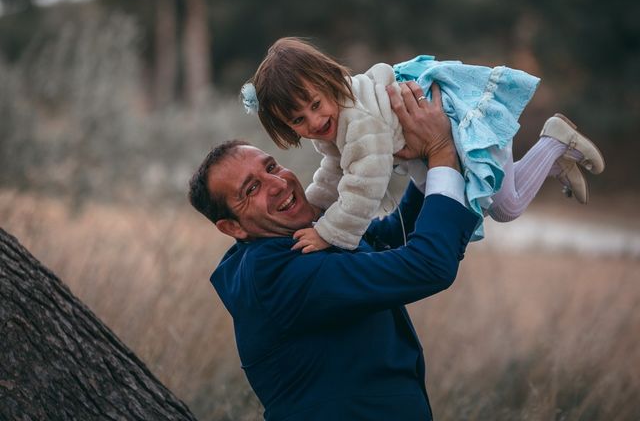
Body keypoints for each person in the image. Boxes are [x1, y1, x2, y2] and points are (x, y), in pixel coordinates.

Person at [188, 84, 480, 420]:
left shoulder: (302, 238)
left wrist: (421, 160)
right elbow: (427, 266)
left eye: (271, 167)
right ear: (233, 228)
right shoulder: (275, 276)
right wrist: (441, 150)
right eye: (252, 189)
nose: (279, 183)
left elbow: (388, 239)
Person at [240, 37, 605, 252]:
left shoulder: (358, 119)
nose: (314, 122)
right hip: (443, 131)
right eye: (298, 120)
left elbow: (364, 184)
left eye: (316, 105)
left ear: (330, 80)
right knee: (455, 196)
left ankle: (553, 140)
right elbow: (335, 170)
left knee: (506, 208)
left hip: (461, 123)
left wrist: (328, 233)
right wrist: (317, 206)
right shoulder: (338, 123)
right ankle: (554, 159)